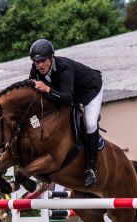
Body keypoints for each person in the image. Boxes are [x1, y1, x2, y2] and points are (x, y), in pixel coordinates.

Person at [29, 38, 103, 188]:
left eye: (43, 61)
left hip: (90, 89)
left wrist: (48, 89)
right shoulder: (34, 71)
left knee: (89, 123)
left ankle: (91, 169)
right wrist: (34, 122)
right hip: (67, 94)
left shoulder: (64, 68)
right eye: (37, 62)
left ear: (51, 58)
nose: (40, 65)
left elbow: (68, 98)